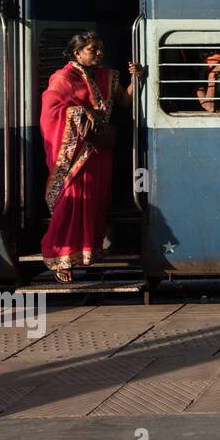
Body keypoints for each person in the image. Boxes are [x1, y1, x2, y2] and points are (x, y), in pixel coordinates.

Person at [40, 31, 144, 283]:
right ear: (77, 53)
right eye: (92, 49)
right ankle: (60, 257)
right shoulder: (63, 78)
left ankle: (86, 253)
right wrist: (80, 114)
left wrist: (135, 78)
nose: (99, 53)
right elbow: (50, 111)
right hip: (75, 153)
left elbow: (124, 101)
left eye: (100, 49)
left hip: (98, 151)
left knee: (94, 203)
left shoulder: (107, 76)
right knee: (72, 202)